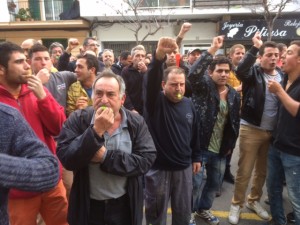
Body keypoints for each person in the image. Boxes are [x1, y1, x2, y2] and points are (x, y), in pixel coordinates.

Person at [56, 70, 156, 225]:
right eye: (99, 93)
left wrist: (106, 157)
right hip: (88, 206)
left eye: (110, 94)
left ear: (122, 99)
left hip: (124, 206)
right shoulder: (78, 119)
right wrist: (95, 132)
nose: (103, 100)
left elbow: (146, 160)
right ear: (92, 96)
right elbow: (67, 158)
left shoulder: (136, 122)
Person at [0, 41, 68, 225]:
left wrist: (43, 97)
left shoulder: (38, 91)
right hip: (17, 191)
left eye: (26, 60)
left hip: (50, 182)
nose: (27, 66)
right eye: (19, 62)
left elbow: (59, 128)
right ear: (1, 69)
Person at [144, 37, 201, 225]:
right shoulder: (155, 102)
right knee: (156, 215)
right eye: (173, 84)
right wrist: (158, 56)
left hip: (184, 169)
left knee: (183, 214)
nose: (179, 88)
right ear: (163, 85)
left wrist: (197, 157)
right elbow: (152, 78)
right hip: (159, 169)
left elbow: (194, 133)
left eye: (182, 84)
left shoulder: (188, 104)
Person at [228, 32, 283, 224]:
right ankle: (236, 204)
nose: (273, 58)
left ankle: (253, 201)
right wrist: (253, 47)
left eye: (276, 55)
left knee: (262, 171)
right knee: (244, 170)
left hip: (272, 133)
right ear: (261, 57)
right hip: (251, 129)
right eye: (269, 55)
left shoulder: (283, 76)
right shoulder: (254, 73)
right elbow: (240, 71)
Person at [188, 36, 240, 225]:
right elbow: (193, 74)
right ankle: (189, 213)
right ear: (210, 73)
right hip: (200, 148)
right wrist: (211, 51)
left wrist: (230, 146)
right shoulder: (203, 88)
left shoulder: (234, 94)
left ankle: (203, 209)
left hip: (220, 150)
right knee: (195, 185)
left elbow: (234, 122)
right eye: (219, 71)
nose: (224, 74)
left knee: (213, 184)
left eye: (227, 71)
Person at [0, 103, 60, 225]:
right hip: (17, 196)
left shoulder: (7, 116)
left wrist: (44, 99)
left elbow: (57, 128)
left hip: (47, 184)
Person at [266, 40, 300, 225]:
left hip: (294, 152)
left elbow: (296, 110)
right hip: (276, 146)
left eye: (289, 52)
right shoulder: (285, 79)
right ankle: (278, 221)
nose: (283, 56)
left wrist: (279, 91)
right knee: (273, 189)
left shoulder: (283, 85)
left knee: (296, 198)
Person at [121, 44, 147, 114]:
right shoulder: (126, 71)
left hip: (146, 108)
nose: (140, 58)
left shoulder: (148, 70)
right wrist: (131, 108)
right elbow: (124, 90)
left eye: (143, 56)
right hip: (132, 109)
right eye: (137, 56)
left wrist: (146, 72)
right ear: (132, 58)